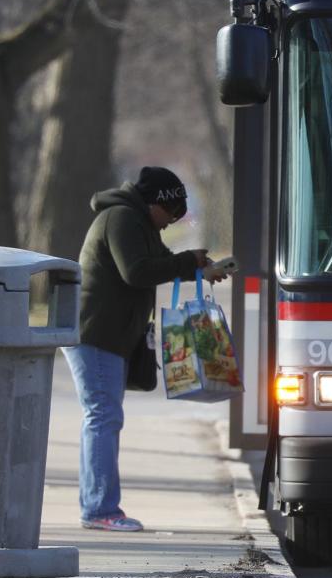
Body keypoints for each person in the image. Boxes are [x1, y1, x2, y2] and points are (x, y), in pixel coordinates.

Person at [63, 166, 224, 532]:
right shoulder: (121, 219)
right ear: (156, 203)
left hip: (110, 335)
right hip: (95, 334)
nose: (172, 222)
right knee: (103, 417)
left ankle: (97, 505)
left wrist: (202, 270)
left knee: (103, 417)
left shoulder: (140, 223)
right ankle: (100, 509)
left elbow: (160, 262)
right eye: (172, 213)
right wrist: (188, 262)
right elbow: (135, 271)